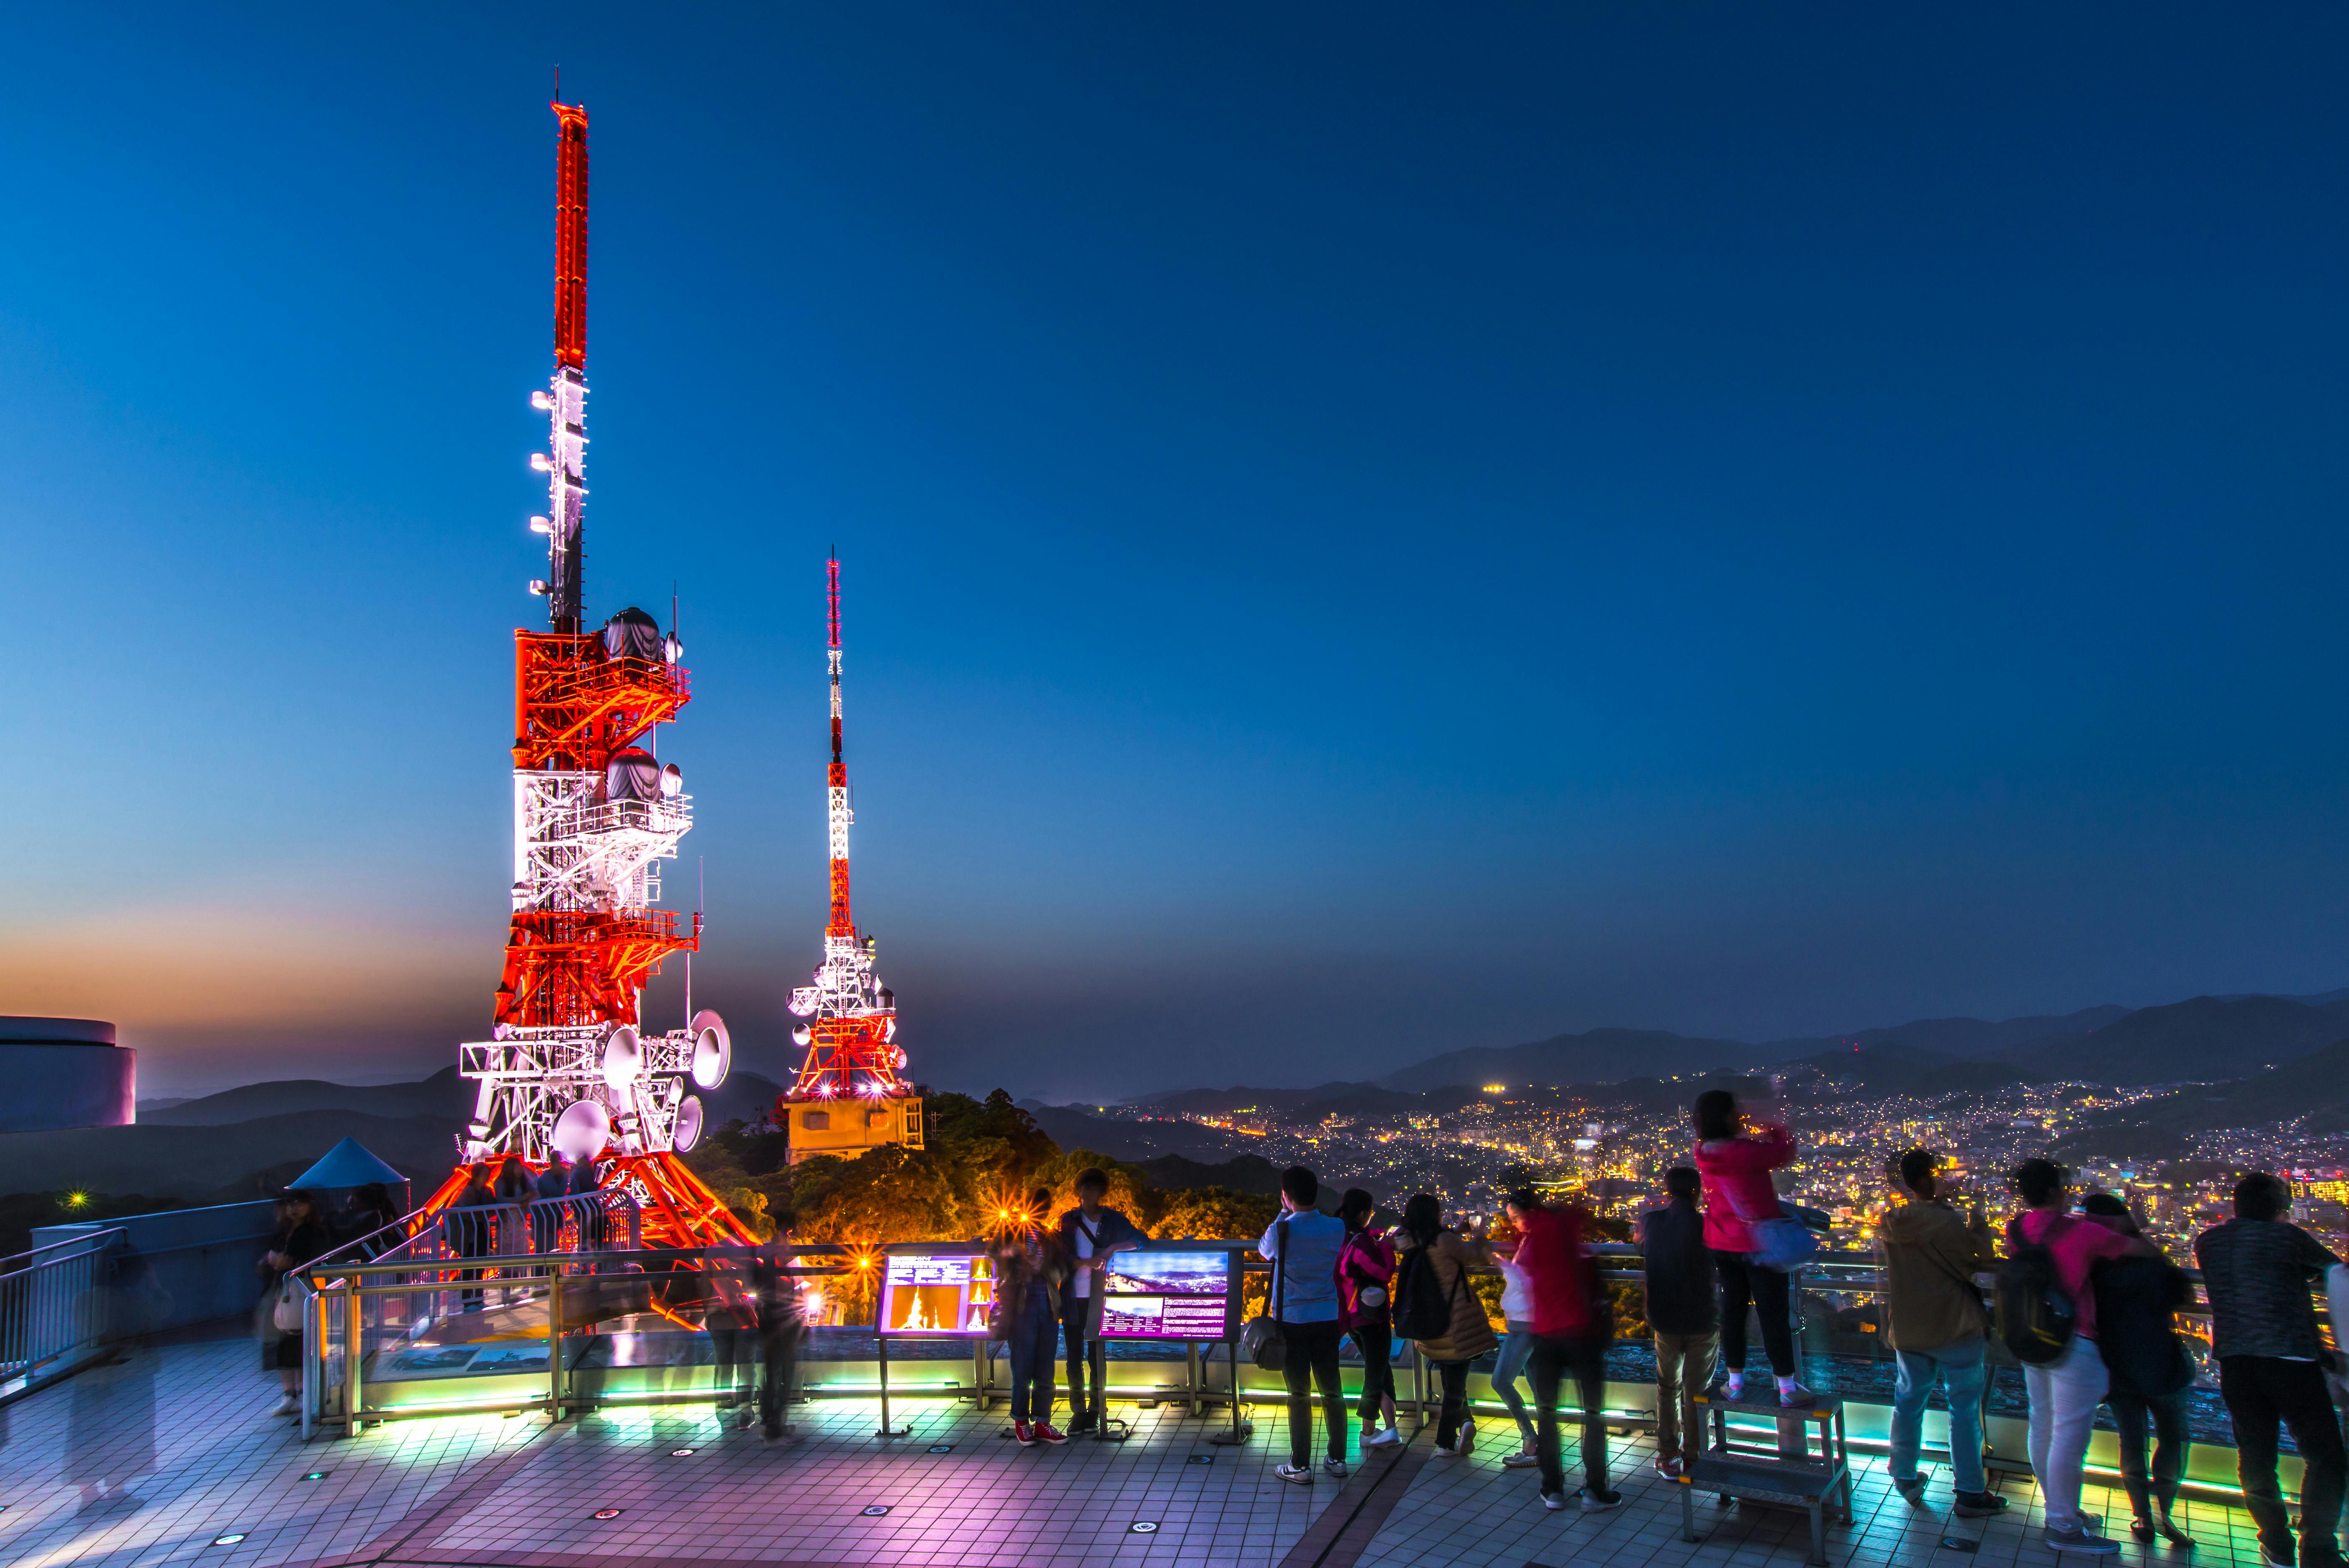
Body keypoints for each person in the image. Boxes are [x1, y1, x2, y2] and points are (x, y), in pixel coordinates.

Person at [2196, 1172, 2346, 1568]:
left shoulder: (2206, 1241)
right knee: (2326, 1455)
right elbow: (2336, 1271)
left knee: (2256, 1456)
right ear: (2279, 1206)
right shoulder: (2288, 1237)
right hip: (2291, 1359)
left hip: (2235, 1362)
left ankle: (2276, 1542)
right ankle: (2317, 1546)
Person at [2010, 1158, 2153, 1556]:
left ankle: (2059, 1508)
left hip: (2032, 1337)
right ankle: (2062, 1525)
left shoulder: (2017, 1227)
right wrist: (2125, 1225)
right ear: (2058, 1188)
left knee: (2042, 1425)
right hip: (2075, 1340)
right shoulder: (2084, 1232)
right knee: (2070, 1436)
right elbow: (2144, 1250)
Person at [1877, 1148, 2005, 1517]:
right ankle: (1968, 1491)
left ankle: (1903, 1475)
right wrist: (1978, 1218)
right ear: (1927, 1179)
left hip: (1909, 1325)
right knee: (1963, 1408)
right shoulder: (1948, 1222)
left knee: (1908, 1401)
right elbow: (1978, 1256)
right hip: (1954, 1324)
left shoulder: (1890, 1220)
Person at [2079, 1193, 2193, 1547]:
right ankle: (2165, 1511)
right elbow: (2181, 1293)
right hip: (2161, 1362)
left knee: (2131, 1441)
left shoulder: (2092, 1268)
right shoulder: (2149, 1261)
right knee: (2173, 1437)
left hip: (2116, 1366)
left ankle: (2141, 1515)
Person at [1691, 1086, 1812, 1406]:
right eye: (1735, 1110)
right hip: (1757, 1244)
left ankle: (1734, 1382)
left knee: (1732, 1311)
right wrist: (1770, 1123)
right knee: (1772, 1313)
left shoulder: (1703, 1152)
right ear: (1727, 1117)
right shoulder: (1743, 1153)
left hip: (1721, 1243)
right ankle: (1786, 1387)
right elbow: (1782, 1152)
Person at [1505, 1186, 1617, 1511]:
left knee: (1547, 1414)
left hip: (1546, 1335)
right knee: (1593, 1415)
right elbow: (1579, 1212)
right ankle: (1595, 1490)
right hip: (1583, 1334)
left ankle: (1552, 1488)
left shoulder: (1529, 1241)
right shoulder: (1567, 1228)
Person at [1258, 1165, 1351, 1483]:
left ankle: (1300, 1465)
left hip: (1292, 1320)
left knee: (1298, 1393)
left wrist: (1282, 1214)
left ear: (1286, 1196)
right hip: (1327, 1316)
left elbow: (1264, 1251)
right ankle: (1337, 1458)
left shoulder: (1281, 1230)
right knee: (1333, 1391)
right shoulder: (1336, 1227)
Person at [1392, 1193, 1497, 1462]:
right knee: (1455, 1385)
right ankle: (1445, 1442)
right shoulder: (1444, 1241)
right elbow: (1478, 1258)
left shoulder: (1408, 1242)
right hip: (1456, 1323)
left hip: (1427, 1325)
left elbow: (1436, 1244)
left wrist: (1454, 1231)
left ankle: (1466, 1424)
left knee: (1450, 1379)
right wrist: (1479, 1235)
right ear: (1435, 1215)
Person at [1641, 1166, 1718, 1481]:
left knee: (1667, 1386)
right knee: (1697, 1390)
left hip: (1664, 1316)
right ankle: (1694, 1455)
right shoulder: (1708, 1225)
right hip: (1702, 1317)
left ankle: (1667, 1452)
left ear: (1667, 1190)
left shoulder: (1651, 1221)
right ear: (1697, 1192)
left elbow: (1639, 1246)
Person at [1058, 1167, 1146, 1434]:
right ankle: (1079, 1412)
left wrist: (1113, 1248)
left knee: (1096, 1355)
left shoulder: (1113, 1220)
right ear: (1080, 1191)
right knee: (1074, 1356)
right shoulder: (1069, 1220)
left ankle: (1096, 1410)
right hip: (1073, 1296)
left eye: (1095, 1188)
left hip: (1100, 1297)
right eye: (1087, 1188)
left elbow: (1141, 1240)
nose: (1090, 1194)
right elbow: (1062, 1255)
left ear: (1102, 1192)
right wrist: (1086, 1262)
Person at [991, 1187, 1072, 1446]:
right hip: (1020, 1308)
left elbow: (1062, 1270)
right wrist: (1014, 1254)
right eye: (1037, 1207)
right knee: (1022, 1368)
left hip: (1048, 1308)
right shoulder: (1010, 1232)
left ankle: (1042, 1423)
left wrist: (1045, 1268)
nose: (1040, 1213)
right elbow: (994, 1252)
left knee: (1046, 1368)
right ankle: (1021, 1422)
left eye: (1044, 1208)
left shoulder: (1051, 1237)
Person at [1335, 1188, 1402, 1450]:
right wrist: (1386, 1246)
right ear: (1363, 1213)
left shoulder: (1341, 1234)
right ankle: (1367, 1432)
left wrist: (1376, 1237)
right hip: (1370, 1316)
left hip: (1352, 1314)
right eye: (1371, 1214)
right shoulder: (1360, 1244)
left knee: (1382, 1371)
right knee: (1376, 1374)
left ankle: (1390, 1429)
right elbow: (1384, 1271)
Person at [257, 1191, 330, 1415]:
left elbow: (317, 1259)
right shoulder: (284, 1234)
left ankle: (300, 1395)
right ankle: (291, 1395)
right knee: (286, 1343)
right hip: (283, 1293)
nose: (294, 1208)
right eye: (290, 1204)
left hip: (302, 1292)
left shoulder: (311, 1233)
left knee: (298, 1342)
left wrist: (290, 1263)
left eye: (300, 1203)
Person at [1486, 1191, 1544, 1468]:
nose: (1513, 1223)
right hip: (1528, 1321)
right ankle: (1541, 1445)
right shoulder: (1531, 1239)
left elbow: (1523, 1280)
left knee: (1500, 1381)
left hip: (1525, 1323)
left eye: (1516, 1217)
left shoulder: (1536, 1241)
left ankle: (1531, 1440)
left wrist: (1494, 1258)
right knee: (1536, 1387)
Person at [746, 1218, 808, 1442]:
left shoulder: (761, 1259)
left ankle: (769, 1418)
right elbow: (800, 1288)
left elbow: (753, 1288)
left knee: (772, 1370)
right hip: (787, 1322)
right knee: (786, 1370)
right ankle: (777, 1420)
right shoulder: (789, 1261)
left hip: (767, 1320)